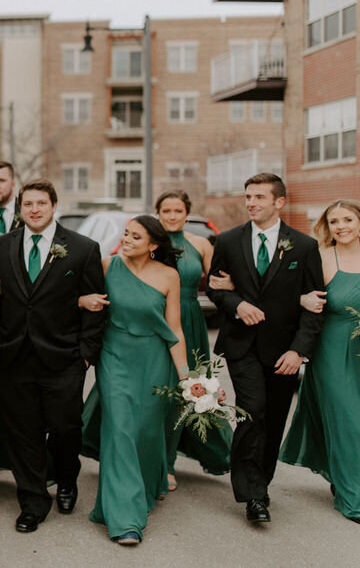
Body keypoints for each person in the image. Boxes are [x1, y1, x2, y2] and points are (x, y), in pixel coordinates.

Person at [0, 179, 106, 534]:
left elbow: (95, 306)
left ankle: (66, 479)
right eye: (28, 204)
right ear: (20, 209)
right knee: (23, 432)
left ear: (54, 206)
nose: (34, 209)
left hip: (64, 357)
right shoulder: (2, 246)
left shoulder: (82, 248)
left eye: (41, 203)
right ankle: (33, 502)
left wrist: (85, 354)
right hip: (12, 356)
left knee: (66, 427)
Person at [206, 173, 323, 524]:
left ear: (279, 202)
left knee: (273, 421)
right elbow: (215, 288)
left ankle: (261, 481)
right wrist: (236, 304)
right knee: (252, 410)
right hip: (242, 346)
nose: (251, 203)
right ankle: (253, 494)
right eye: (248, 196)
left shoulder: (303, 247)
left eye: (259, 197)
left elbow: (314, 304)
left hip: (283, 350)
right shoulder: (227, 240)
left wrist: (299, 351)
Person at [82, 216, 189, 545]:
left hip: (155, 361)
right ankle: (125, 517)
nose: (126, 239)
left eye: (135, 236)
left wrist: (187, 376)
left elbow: (174, 329)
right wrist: (80, 301)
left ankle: (142, 489)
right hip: (115, 358)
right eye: (126, 234)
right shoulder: (106, 265)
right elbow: (77, 301)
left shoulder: (170, 276)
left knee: (145, 431)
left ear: (153, 245)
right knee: (120, 430)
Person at [280, 198, 360, 524]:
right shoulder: (324, 258)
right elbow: (286, 296)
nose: (340, 227)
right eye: (334, 221)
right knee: (348, 421)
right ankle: (353, 497)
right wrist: (302, 298)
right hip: (332, 351)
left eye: (347, 220)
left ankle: (342, 475)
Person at [154, 190, 231, 490]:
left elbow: (216, 285)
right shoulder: (151, 243)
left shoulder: (201, 244)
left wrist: (231, 285)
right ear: (158, 213)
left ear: (187, 213)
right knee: (160, 394)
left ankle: (173, 460)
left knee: (186, 392)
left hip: (190, 321)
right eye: (166, 211)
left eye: (178, 211)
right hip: (158, 321)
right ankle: (161, 462)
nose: (172, 216)